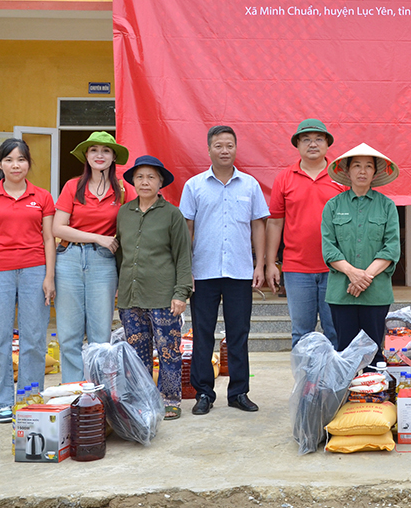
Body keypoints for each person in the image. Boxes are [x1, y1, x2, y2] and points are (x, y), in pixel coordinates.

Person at [180, 126, 269, 415]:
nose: (224, 150)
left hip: (240, 271)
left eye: (229, 145)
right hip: (203, 272)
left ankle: (239, 392)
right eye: (218, 145)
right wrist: (185, 270)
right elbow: (187, 229)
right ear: (209, 150)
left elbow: (259, 224)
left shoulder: (250, 185)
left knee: (239, 334)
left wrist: (260, 264)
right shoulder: (194, 186)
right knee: (202, 334)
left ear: (235, 148)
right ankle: (204, 393)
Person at [0, 138, 55, 423]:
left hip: (35, 270)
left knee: (34, 339)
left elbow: (48, 239)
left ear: (29, 164)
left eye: (21, 159)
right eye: (9, 159)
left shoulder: (42, 197)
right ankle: (3, 402)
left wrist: (49, 277)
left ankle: (30, 397)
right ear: (0, 165)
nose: (15, 165)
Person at [52, 131, 135, 383]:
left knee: (100, 335)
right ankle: (73, 393)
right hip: (69, 259)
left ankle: (99, 396)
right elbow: (58, 228)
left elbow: (137, 221)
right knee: (69, 335)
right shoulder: (72, 186)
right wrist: (97, 237)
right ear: (86, 156)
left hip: (104, 263)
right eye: (94, 150)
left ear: (113, 158)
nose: (100, 155)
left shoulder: (123, 190)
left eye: (106, 151)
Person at [117, 155, 191, 420]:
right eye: (140, 177)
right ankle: (143, 397)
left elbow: (183, 256)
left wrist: (181, 293)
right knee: (137, 353)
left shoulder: (172, 214)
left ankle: (170, 398)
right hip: (130, 296)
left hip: (163, 295)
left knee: (168, 350)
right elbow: (120, 254)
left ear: (160, 182)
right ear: (133, 182)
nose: (145, 182)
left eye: (151, 177)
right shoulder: (124, 213)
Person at [265, 119, 344, 349]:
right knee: (301, 334)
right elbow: (275, 223)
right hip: (296, 269)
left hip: (336, 268)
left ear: (327, 144)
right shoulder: (284, 178)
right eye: (306, 139)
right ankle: (306, 385)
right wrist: (271, 263)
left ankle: (335, 384)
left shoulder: (340, 177)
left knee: (335, 332)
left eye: (319, 139)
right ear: (297, 145)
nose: (313, 144)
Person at [321, 143, 401, 362]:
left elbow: (391, 247)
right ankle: (348, 396)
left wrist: (365, 277)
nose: (362, 171)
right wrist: (352, 273)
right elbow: (328, 247)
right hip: (341, 293)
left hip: (375, 293)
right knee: (345, 352)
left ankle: (374, 396)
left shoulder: (387, 206)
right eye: (357, 166)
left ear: (375, 172)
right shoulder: (333, 206)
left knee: (374, 353)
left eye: (368, 166)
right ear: (347, 171)